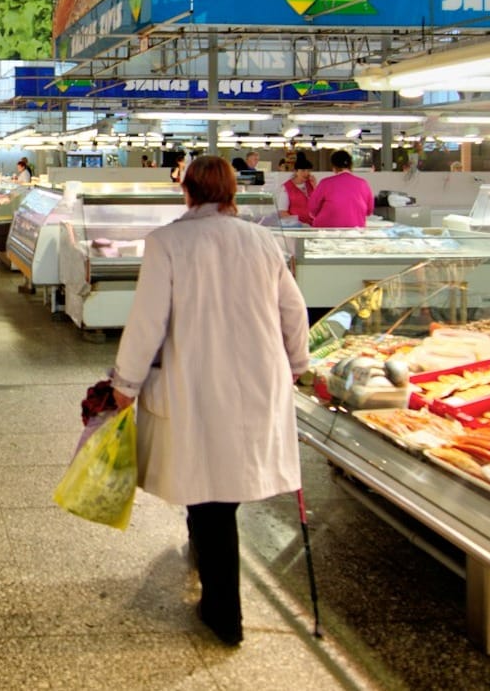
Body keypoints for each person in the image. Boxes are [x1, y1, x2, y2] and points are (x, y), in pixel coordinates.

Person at [106, 156, 308, 646]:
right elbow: (293, 309)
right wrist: (298, 365)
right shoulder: (261, 240)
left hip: (197, 383)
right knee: (219, 489)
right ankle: (204, 555)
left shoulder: (168, 243)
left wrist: (125, 382)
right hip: (259, 380)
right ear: (232, 192)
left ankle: (224, 614)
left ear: (187, 191)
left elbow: (148, 321)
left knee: (212, 493)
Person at [307, 150, 373, 228]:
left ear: (333, 166)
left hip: (326, 231)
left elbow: (312, 209)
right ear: (350, 165)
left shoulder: (326, 183)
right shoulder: (363, 183)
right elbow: (369, 211)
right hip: (355, 231)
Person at [280, 156, 316, 226]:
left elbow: (319, 203)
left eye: (308, 170)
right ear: (296, 171)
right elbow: (283, 212)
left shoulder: (311, 184)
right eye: (303, 170)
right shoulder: (286, 187)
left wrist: (314, 186)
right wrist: (298, 225)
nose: (306, 173)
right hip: (297, 227)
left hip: (313, 225)